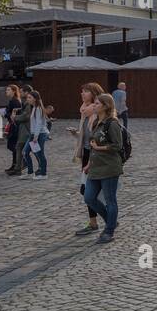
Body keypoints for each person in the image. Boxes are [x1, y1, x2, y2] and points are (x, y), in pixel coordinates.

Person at [83, 93, 125, 243]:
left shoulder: (112, 123)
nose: (94, 106)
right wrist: (88, 164)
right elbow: (92, 146)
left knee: (110, 200)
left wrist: (99, 148)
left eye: (97, 104)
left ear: (105, 106)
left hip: (109, 167)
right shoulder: (96, 123)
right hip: (95, 168)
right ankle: (111, 220)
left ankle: (109, 231)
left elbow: (117, 146)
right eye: (94, 103)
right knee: (89, 197)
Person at [70, 83, 106, 236]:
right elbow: (87, 136)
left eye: (85, 91)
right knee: (88, 191)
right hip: (86, 153)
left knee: (87, 191)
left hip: (94, 155)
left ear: (94, 93)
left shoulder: (96, 112)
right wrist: (77, 134)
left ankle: (101, 220)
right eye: (82, 91)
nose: (82, 94)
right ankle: (95, 222)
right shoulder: (84, 111)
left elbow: (97, 137)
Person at [21, 89, 51, 180]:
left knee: (40, 153)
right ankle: (30, 172)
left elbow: (39, 123)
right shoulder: (33, 107)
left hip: (39, 134)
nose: (28, 99)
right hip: (33, 134)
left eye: (30, 97)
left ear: (35, 99)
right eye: (27, 97)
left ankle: (43, 174)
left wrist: (36, 136)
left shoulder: (38, 108)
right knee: (25, 152)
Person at [2, 84, 24, 175]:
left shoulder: (14, 101)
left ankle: (19, 163)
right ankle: (15, 164)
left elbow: (14, 114)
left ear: (14, 91)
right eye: (6, 90)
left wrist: (6, 114)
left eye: (8, 90)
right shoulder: (12, 101)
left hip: (15, 126)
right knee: (12, 145)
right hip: (13, 125)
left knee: (12, 146)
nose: (6, 91)